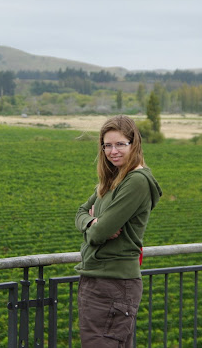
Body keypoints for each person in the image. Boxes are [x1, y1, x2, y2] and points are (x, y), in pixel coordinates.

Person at [75, 115, 162, 348]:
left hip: (113, 283)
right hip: (99, 280)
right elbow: (81, 213)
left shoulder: (136, 181)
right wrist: (92, 223)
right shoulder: (112, 179)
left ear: (134, 144)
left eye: (120, 144)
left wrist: (97, 227)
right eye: (107, 145)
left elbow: (99, 234)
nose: (113, 151)